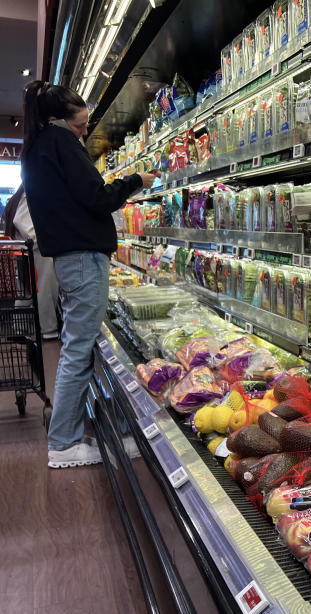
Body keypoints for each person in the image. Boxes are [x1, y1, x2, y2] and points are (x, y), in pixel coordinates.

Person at [20, 80, 157, 468]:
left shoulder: (40, 145)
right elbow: (96, 198)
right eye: (80, 126)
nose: (84, 132)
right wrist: (134, 182)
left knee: (75, 346)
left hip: (70, 257)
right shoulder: (61, 142)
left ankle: (69, 433)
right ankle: (64, 443)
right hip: (82, 257)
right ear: (58, 120)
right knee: (78, 349)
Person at [2, 186, 60, 339]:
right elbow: (29, 230)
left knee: (28, 291)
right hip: (37, 251)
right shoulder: (30, 195)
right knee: (44, 289)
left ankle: (21, 328)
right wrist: (48, 237)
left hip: (26, 252)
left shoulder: (22, 196)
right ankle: (48, 330)